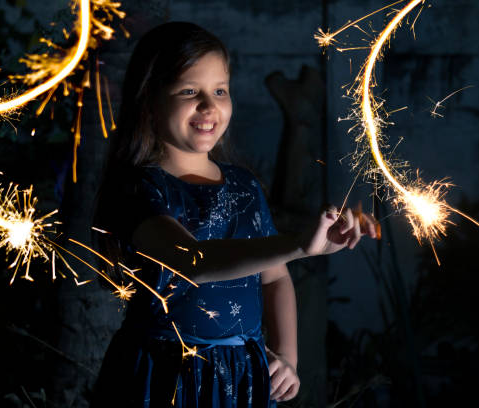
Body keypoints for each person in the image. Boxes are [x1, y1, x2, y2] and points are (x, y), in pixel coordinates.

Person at [91, 22, 378, 408]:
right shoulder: (142, 188)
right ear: (150, 99)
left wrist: (287, 358)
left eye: (220, 90)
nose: (209, 106)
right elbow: (190, 261)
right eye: (190, 91)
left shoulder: (244, 186)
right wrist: (297, 244)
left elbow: (275, 278)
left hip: (243, 376)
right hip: (166, 377)